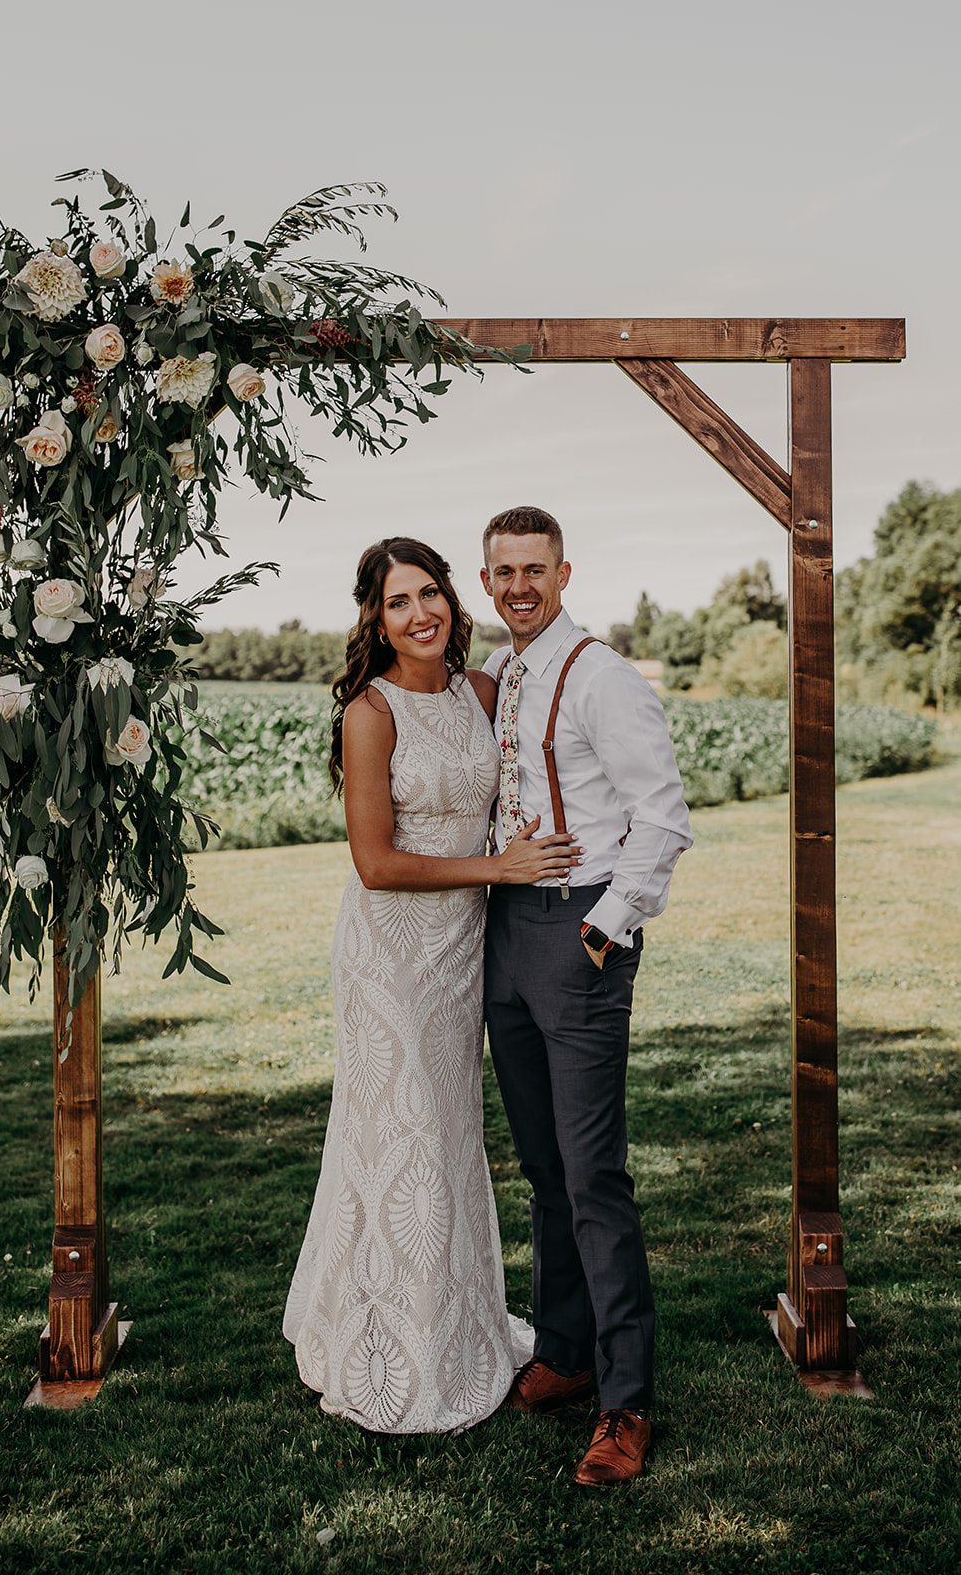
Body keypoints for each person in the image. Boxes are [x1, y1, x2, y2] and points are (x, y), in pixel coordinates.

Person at [283, 536, 581, 1433]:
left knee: (448, 1136)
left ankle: (459, 1326)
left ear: (451, 600)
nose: (419, 614)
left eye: (429, 595)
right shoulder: (370, 714)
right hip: (388, 957)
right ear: (374, 619)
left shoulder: (481, 693)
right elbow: (374, 864)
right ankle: (387, 1346)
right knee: (396, 1136)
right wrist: (502, 869)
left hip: (462, 957)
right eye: (397, 602)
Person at [479, 506, 693, 1486]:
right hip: (504, 931)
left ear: (563, 572)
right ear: (486, 580)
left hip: (578, 934)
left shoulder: (601, 675)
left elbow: (662, 815)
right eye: (501, 571)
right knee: (541, 1165)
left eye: (532, 568)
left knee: (593, 1172)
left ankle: (625, 1400)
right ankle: (562, 1352)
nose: (517, 585)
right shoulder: (502, 672)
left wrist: (608, 925)